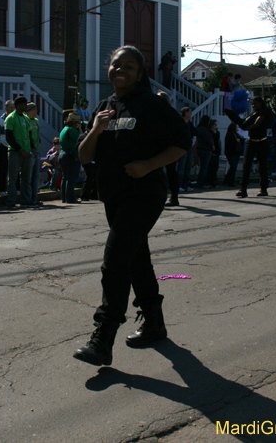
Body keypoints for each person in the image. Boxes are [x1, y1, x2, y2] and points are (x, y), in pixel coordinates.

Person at [73, 45, 191, 366]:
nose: (120, 70)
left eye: (129, 66)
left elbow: (183, 140)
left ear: (140, 74)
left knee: (115, 260)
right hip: (114, 196)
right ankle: (154, 323)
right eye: (115, 65)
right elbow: (84, 156)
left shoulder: (151, 105)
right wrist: (96, 128)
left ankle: (103, 337)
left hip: (145, 194)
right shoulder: (106, 107)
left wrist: (149, 165)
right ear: (108, 69)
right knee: (137, 258)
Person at [227, 96, 274, 197]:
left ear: (260, 103)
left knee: (262, 166)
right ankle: (243, 189)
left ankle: (263, 188)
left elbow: (256, 124)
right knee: (246, 165)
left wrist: (245, 128)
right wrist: (237, 120)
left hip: (261, 142)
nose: (253, 105)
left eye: (255, 103)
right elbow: (244, 122)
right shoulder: (253, 113)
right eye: (252, 103)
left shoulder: (264, 113)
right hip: (251, 141)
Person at [5, 96, 34, 208]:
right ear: (18, 105)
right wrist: (21, 150)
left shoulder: (26, 119)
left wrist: (33, 148)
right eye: (24, 104)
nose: (26, 106)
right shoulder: (10, 118)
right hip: (15, 152)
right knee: (13, 178)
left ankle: (26, 200)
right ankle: (11, 201)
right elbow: (9, 137)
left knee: (26, 178)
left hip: (27, 153)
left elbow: (30, 135)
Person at [157, 90, 180, 206]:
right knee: (157, 171)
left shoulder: (171, 113)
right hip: (158, 145)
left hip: (170, 145)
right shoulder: (154, 112)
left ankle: (174, 197)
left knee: (171, 172)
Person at [59, 112, 82, 204]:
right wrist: (80, 129)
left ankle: (64, 197)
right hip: (71, 154)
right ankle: (70, 198)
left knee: (65, 177)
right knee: (71, 177)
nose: (78, 124)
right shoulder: (72, 130)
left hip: (62, 154)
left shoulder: (64, 129)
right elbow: (82, 139)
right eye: (77, 122)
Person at [0, 100, 14, 192]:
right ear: (5, 107)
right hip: (3, 147)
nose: (12, 109)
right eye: (10, 107)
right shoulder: (0, 121)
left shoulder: (15, 119)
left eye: (13, 107)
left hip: (13, 147)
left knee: (14, 169)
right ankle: (1, 190)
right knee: (2, 169)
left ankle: (15, 189)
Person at [175, 107, 196, 191]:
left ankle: (185, 185)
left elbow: (195, 132)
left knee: (188, 166)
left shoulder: (190, 123)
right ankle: (179, 185)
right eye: (189, 112)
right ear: (185, 113)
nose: (191, 114)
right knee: (181, 166)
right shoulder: (180, 123)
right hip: (182, 146)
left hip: (189, 145)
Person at [26, 102, 42, 205]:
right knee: (28, 176)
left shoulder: (36, 121)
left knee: (36, 176)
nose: (36, 111)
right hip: (29, 152)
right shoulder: (26, 120)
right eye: (34, 110)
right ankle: (28, 199)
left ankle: (34, 197)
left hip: (37, 152)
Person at [195, 115, 214, 188]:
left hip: (201, 148)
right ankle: (201, 184)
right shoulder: (203, 129)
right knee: (204, 168)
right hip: (204, 149)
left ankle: (202, 183)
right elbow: (207, 139)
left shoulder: (200, 128)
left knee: (204, 167)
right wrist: (212, 145)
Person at [223, 122, 243, 186]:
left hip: (236, 152)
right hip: (231, 153)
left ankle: (231, 181)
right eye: (237, 127)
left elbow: (241, 140)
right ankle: (227, 180)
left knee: (234, 167)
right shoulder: (230, 134)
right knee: (233, 166)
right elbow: (230, 143)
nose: (238, 128)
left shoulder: (236, 134)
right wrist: (236, 141)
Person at [208, 118, 221, 187]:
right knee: (211, 168)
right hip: (212, 151)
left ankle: (214, 181)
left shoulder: (217, 132)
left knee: (215, 167)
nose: (216, 126)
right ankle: (210, 181)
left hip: (217, 151)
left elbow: (219, 141)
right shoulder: (209, 132)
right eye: (215, 124)